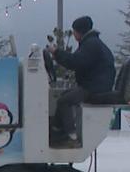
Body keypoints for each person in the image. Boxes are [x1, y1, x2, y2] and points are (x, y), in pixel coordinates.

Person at [47, 16, 115, 146]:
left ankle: (70, 137)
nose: (73, 34)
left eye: (74, 31)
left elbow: (74, 62)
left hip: (95, 87)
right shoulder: (92, 42)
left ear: (80, 31)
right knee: (63, 96)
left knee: (64, 101)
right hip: (96, 84)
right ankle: (57, 131)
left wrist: (56, 53)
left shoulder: (90, 45)